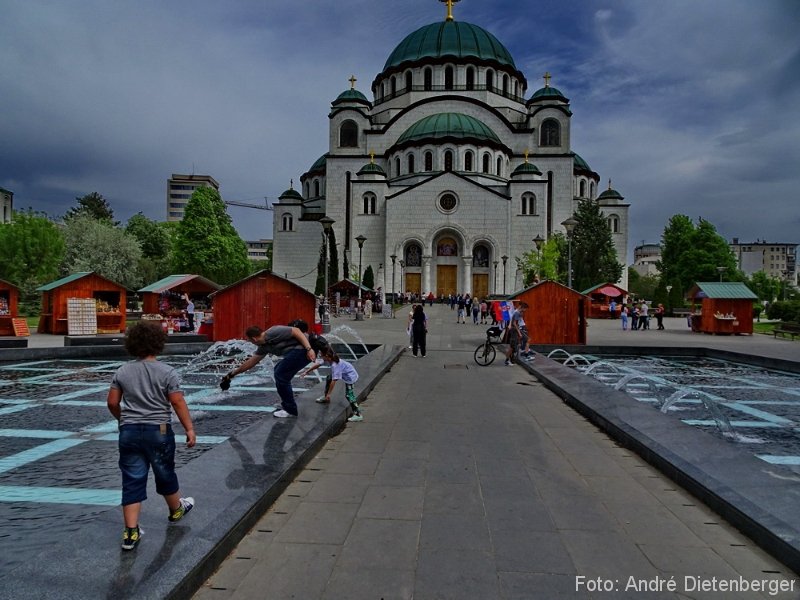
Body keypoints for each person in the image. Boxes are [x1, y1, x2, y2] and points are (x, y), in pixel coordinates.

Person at [106, 321, 196, 551]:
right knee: (164, 469)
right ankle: (176, 509)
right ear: (158, 343)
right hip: (160, 429)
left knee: (132, 478)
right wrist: (189, 428)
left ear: (132, 344)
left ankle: (131, 532)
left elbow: (112, 402)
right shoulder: (167, 372)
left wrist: (122, 420)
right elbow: (176, 401)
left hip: (130, 431)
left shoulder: (122, 371)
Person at [222, 320, 321, 418]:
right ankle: (287, 404)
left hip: (305, 350)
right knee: (279, 372)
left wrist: (309, 349)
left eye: (250, 341)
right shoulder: (264, 347)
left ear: (254, 339)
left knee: (280, 374)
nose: (251, 343)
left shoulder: (273, 331)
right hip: (299, 352)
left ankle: (290, 409)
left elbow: (296, 331)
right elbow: (251, 363)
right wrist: (232, 374)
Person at [300, 347, 363, 422]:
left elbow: (334, 381)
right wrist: (307, 371)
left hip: (350, 377)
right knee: (329, 377)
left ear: (326, 356)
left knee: (349, 395)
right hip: (346, 373)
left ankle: (358, 414)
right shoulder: (330, 358)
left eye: (321, 355)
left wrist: (329, 394)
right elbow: (317, 364)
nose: (320, 357)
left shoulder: (335, 365)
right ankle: (325, 397)